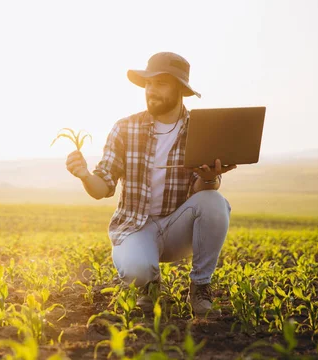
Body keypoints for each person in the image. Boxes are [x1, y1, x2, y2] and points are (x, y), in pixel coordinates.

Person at [65, 52, 236, 317]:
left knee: (215, 202)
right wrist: (85, 175)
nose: (151, 90)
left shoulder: (199, 130)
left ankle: (200, 287)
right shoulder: (125, 128)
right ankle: (149, 284)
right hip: (136, 227)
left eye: (160, 84)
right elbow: (102, 188)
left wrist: (209, 177)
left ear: (180, 89)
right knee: (137, 270)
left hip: (176, 228)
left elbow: (200, 193)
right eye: (148, 84)